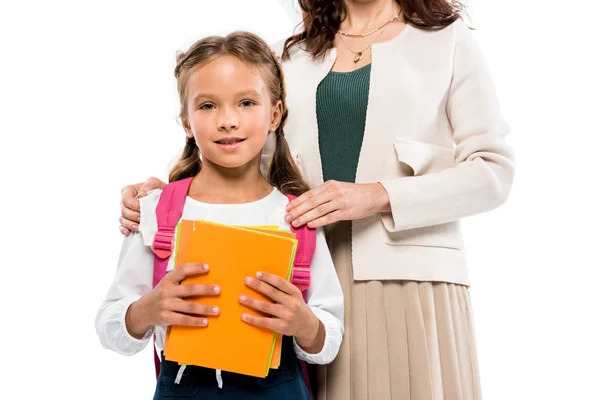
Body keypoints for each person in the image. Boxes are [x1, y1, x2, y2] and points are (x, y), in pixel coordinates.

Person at [119, 1, 515, 399]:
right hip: (298, 273)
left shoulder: (449, 41)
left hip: (408, 278)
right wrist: (165, 190)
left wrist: (377, 196)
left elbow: (494, 171)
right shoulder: (286, 54)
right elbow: (240, 159)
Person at [96, 31, 344, 399]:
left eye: (246, 102)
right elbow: (109, 327)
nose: (228, 120)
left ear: (275, 114)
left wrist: (303, 322)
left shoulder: (296, 215)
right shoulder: (155, 212)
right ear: (185, 121)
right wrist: (146, 310)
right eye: (208, 106)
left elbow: (329, 335)